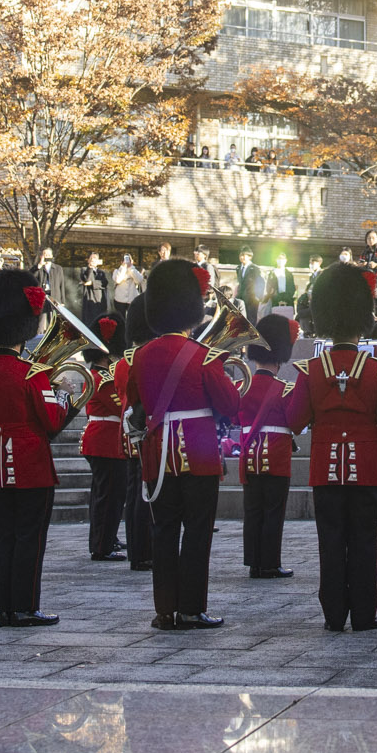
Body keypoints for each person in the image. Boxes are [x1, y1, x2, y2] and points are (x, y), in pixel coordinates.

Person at [130, 258, 245, 630]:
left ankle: (165, 610)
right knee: (197, 531)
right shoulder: (203, 356)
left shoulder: (140, 356)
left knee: (163, 530)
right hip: (197, 452)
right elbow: (230, 406)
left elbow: (133, 403)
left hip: (157, 452)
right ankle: (192, 608)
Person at [293, 261, 377, 632]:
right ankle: (364, 613)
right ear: (361, 318)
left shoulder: (312, 369)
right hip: (366, 468)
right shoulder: (375, 370)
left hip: (325, 469)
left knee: (330, 542)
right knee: (364, 542)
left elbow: (293, 421)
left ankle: (334, 614)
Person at [0, 268, 70, 628]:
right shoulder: (32, 373)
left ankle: (5, 607)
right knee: (29, 538)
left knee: (3, 537)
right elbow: (52, 420)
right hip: (29, 464)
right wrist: (63, 395)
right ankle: (25, 606)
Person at [234, 313, 304, 581]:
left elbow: (232, 416)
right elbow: (296, 423)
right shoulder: (285, 389)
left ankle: (253, 562)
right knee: (273, 510)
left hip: (248, 455)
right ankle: (270, 563)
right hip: (275, 456)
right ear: (279, 355)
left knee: (252, 510)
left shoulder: (241, 386)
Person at [76, 316, 132, 560]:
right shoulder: (105, 379)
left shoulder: (96, 375)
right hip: (106, 442)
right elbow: (120, 407)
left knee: (107, 495)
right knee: (108, 496)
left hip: (102, 440)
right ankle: (101, 546)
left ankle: (107, 538)